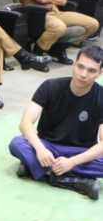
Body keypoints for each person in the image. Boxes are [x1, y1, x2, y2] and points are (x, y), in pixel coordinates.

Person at [10, 46, 103, 200]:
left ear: (100, 73)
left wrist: (73, 162)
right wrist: (40, 149)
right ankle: (73, 180)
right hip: (48, 147)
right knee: (17, 143)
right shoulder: (50, 86)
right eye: (80, 67)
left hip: (80, 152)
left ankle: (37, 169)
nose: (83, 74)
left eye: (91, 71)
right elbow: (25, 123)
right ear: (73, 64)